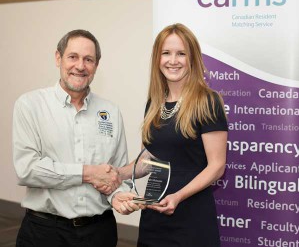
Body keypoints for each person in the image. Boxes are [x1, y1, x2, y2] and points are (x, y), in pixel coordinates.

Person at [13, 29, 139, 247]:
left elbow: (116, 173)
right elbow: (28, 170)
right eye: (73, 57)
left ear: (96, 66)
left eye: (88, 59)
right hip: (44, 233)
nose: (80, 66)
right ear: (58, 58)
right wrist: (87, 173)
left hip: (100, 233)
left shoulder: (110, 112)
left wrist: (118, 195)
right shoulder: (30, 105)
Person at [119, 23, 228, 247]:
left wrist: (178, 196)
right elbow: (149, 160)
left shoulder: (207, 101)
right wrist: (117, 174)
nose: (173, 60)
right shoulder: (154, 103)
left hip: (191, 217)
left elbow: (217, 166)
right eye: (166, 53)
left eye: (181, 54)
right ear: (157, 59)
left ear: (192, 59)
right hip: (154, 215)